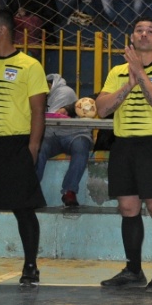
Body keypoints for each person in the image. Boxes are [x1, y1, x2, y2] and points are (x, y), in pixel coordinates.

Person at [95, 17, 152, 292]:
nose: (144, 34)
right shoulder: (117, 71)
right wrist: (128, 83)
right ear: (131, 37)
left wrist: (141, 74)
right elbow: (101, 109)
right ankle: (133, 270)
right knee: (128, 209)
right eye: (138, 30)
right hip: (123, 146)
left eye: (151, 31)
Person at [0, 6, 48, 287]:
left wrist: (33, 147)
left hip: (14, 146)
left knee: (23, 208)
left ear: (2, 30)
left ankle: (30, 267)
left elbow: (38, 111)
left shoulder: (30, 65)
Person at [36, 74, 93, 208]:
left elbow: (52, 121)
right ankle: (32, 189)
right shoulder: (37, 95)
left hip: (75, 133)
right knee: (39, 149)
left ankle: (70, 191)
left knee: (81, 147)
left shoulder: (64, 92)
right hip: (53, 136)